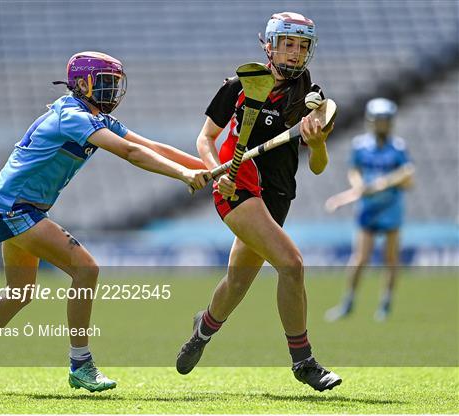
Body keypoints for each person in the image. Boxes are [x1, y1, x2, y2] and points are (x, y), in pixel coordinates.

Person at [0, 51, 209, 394]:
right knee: (86, 269)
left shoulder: (91, 115)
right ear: (83, 83)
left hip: (15, 207)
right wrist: (185, 174)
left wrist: (206, 169)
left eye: (115, 84)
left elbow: (149, 145)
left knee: (20, 292)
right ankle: (80, 364)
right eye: (105, 83)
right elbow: (131, 154)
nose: (112, 91)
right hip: (15, 208)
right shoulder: (73, 116)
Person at [175, 12, 342, 392]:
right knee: (292, 264)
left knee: (237, 281)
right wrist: (220, 174)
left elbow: (317, 167)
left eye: (303, 46)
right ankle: (304, 361)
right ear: (270, 45)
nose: (296, 53)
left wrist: (317, 145)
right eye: (289, 43)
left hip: (279, 194)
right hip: (237, 187)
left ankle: (201, 331)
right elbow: (205, 138)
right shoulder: (239, 84)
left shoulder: (310, 96)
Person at [325, 98, 414, 322]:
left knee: (390, 258)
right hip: (367, 209)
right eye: (378, 121)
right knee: (360, 258)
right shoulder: (360, 145)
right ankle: (348, 302)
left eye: (385, 121)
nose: (381, 125)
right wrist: (358, 185)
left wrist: (387, 182)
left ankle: (385, 304)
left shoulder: (398, 147)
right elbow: (354, 170)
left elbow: (408, 177)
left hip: (391, 208)